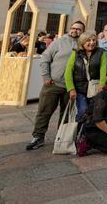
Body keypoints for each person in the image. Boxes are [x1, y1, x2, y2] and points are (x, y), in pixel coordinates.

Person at [26, 21, 84, 151]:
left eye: (79, 29)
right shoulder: (59, 42)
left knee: (67, 114)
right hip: (54, 83)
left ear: (82, 31)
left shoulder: (83, 44)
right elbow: (45, 58)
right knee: (44, 111)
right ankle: (38, 137)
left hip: (71, 87)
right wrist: (46, 77)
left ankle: (62, 137)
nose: (75, 30)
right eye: (73, 28)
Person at [64, 32, 107, 119]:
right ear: (82, 42)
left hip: (95, 88)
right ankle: (79, 130)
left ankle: (87, 131)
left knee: (94, 112)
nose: (92, 42)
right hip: (80, 89)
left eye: (94, 40)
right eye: (88, 40)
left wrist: (102, 84)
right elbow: (68, 72)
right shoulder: (75, 53)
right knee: (83, 111)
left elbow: (103, 70)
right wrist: (71, 89)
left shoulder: (101, 52)